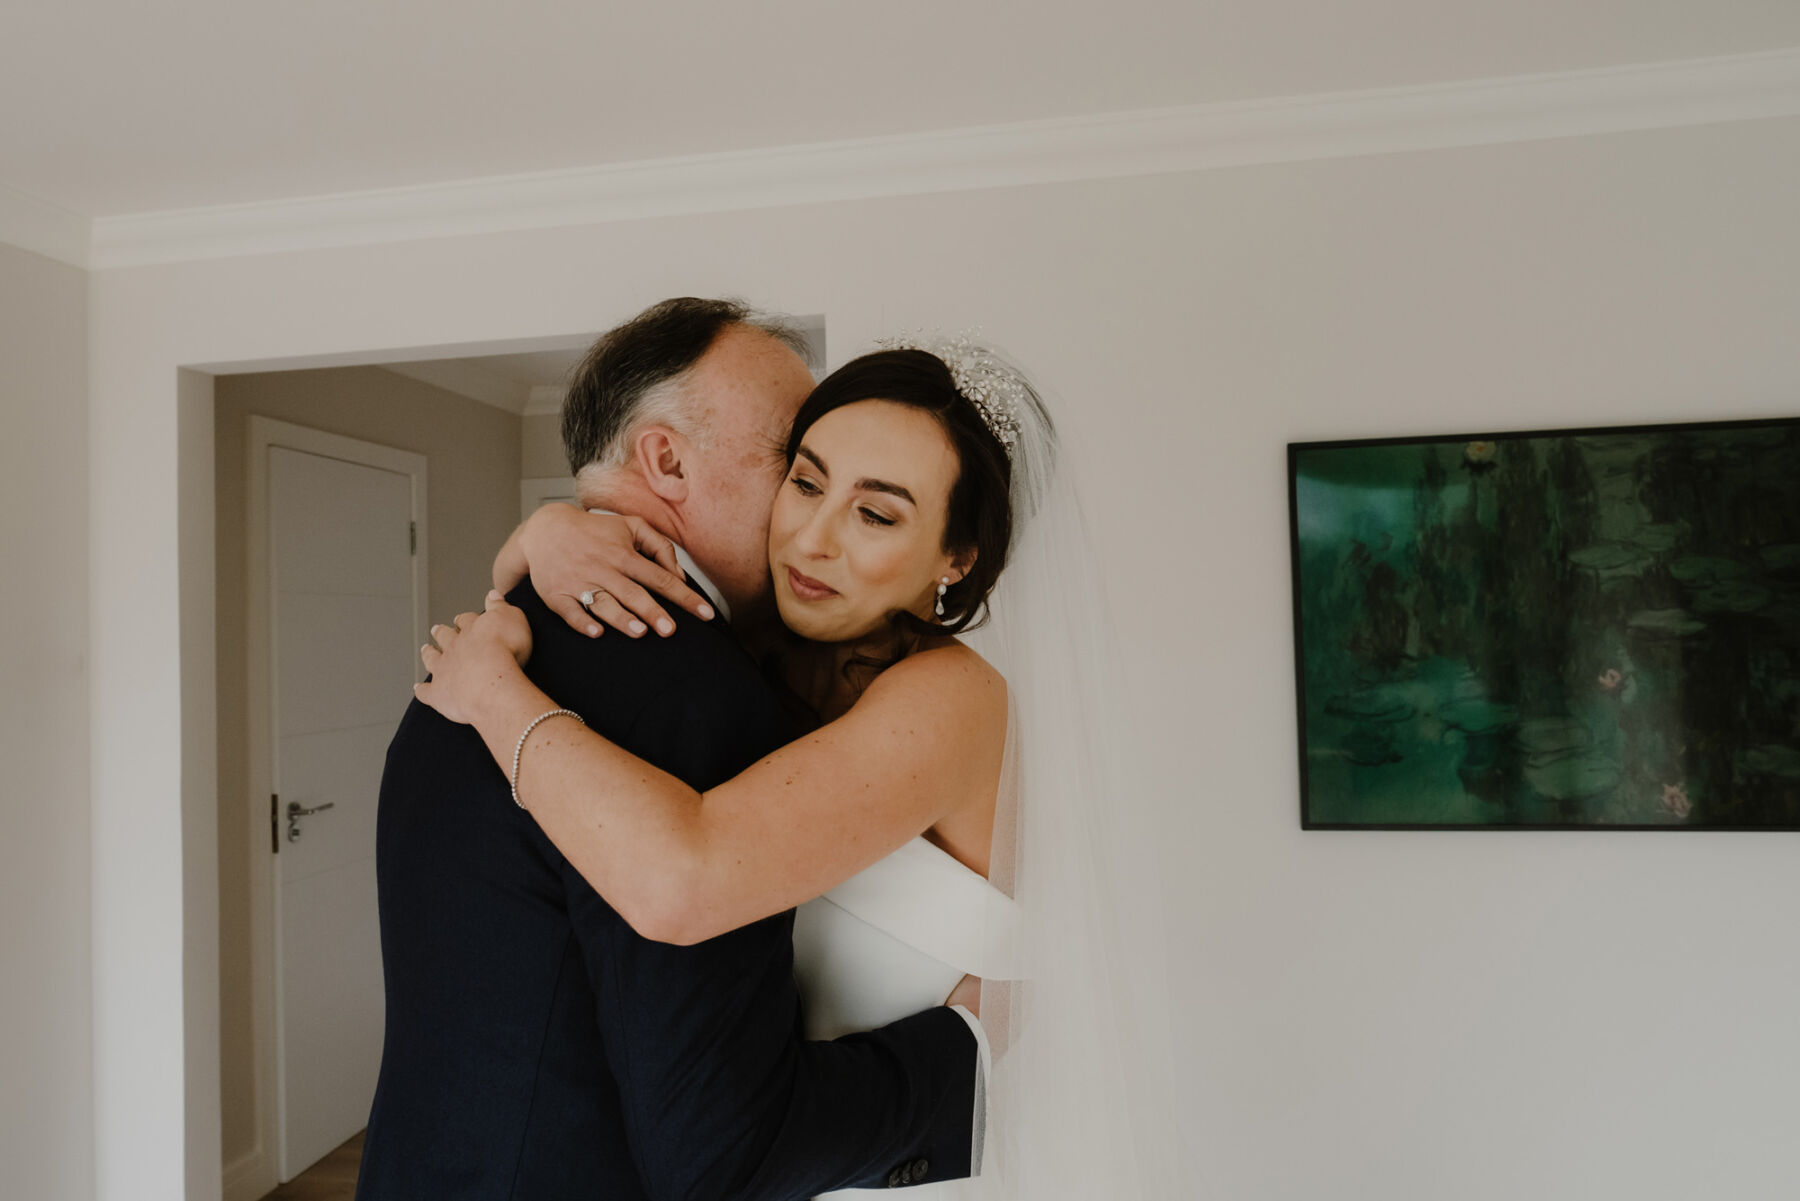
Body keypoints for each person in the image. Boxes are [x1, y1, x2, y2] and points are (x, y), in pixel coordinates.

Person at [419, 331, 1183, 1198]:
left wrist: (493, 696)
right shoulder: (750, 659)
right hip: (763, 1156)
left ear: (956, 560)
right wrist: (553, 528)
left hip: (897, 1167)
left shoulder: (952, 701)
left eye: (878, 513)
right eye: (806, 481)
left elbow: (690, 875)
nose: (812, 539)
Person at [357, 299, 987, 1201]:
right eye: (795, 464)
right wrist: (969, 1065)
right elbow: (722, 1148)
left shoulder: (510, 634)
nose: (806, 520)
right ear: (666, 459)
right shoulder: (689, 694)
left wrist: (546, 527)